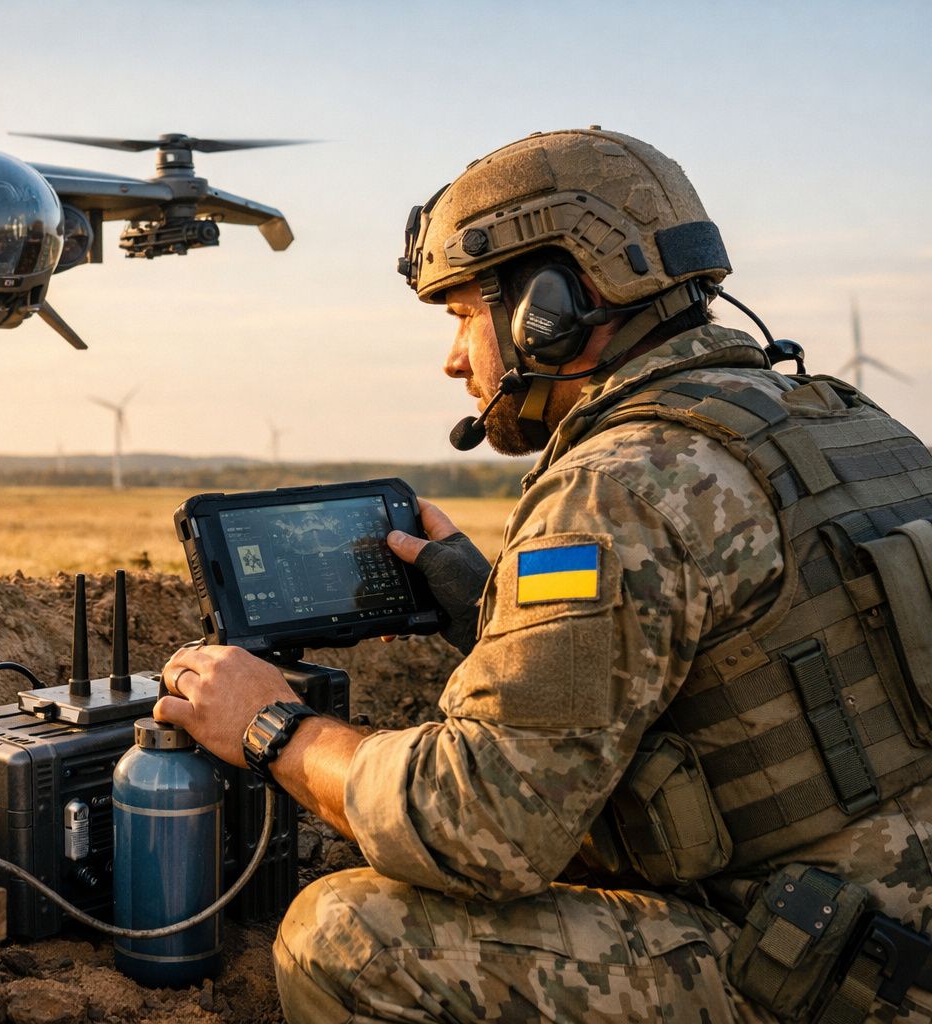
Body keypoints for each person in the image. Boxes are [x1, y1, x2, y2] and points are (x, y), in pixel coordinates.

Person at [154, 128, 932, 1023]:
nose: (454, 360)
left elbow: (481, 826)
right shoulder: (844, 421)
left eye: (459, 314)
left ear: (552, 307)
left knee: (341, 935)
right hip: (885, 924)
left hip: (820, 975)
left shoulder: (619, 484)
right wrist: (489, 605)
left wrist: (274, 728)